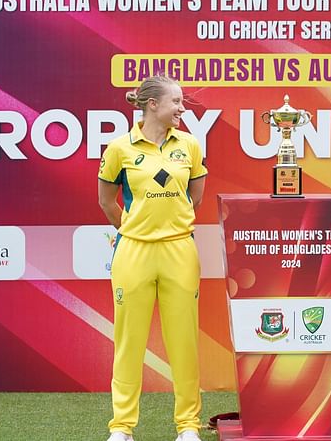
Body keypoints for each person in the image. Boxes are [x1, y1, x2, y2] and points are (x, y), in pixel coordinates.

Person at [98, 75, 207, 441]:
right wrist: (134, 229)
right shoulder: (119, 148)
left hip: (179, 250)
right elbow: (106, 201)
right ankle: (122, 427)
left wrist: (168, 225)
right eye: (176, 101)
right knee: (128, 341)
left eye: (182, 102)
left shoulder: (190, 145)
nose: (182, 108)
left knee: (184, 343)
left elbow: (195, 198)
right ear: (152, 105)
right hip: (134, 252)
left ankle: (188, 425)